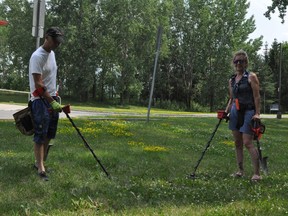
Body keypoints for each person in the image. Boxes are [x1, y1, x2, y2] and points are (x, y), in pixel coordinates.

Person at [29, 27, 64, 181]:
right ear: (47, 37)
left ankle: (40, 161)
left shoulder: (53, 54)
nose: (57, 44)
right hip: (40, 101)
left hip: (52, 99)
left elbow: (50, 78)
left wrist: (55, 98)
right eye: (55, 41)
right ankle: (40, 168)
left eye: (59, 41)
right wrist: (51, 102)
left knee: (50, 133)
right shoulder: (37, 56)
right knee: (40, 134)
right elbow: (38, 84)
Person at [225, 50, 261, 181]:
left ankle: (257, 173)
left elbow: (257, 97)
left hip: (249, 111)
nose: (239, 63)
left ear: (246, 63)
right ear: (233, 63)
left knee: (248, 142)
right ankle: (240, 171)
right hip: (235, 111)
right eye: (236, 61)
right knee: (237, 143)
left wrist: (257, 113)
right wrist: (226, 111)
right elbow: (231, 98)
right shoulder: (232, 80)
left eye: (242, 61)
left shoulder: (251, 77)